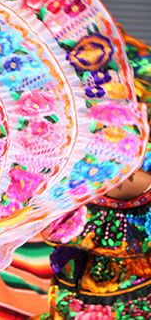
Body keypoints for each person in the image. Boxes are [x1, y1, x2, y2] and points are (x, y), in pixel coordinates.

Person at [41, 34, 151, 319]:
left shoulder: (68, 158)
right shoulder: (73, 159)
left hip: (83, 297)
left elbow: (52, 225)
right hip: (119, 295)